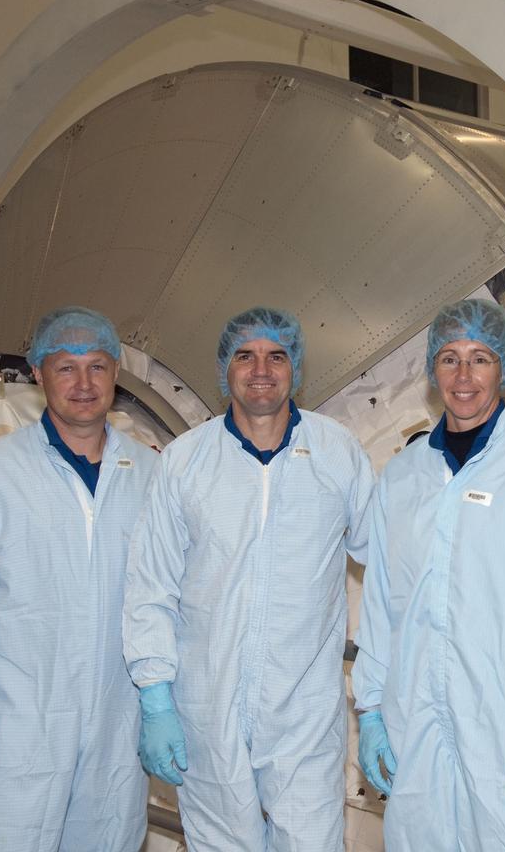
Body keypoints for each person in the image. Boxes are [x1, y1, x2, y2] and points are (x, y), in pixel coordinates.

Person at [352, 298, 505, 851]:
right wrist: (369, 708)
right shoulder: (403, 477)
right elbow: (381, 602)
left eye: (480, 358)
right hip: (414, 724)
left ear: (504, 369)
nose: (463, 376)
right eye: (449, 358)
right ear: (432, 370)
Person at [123, 306, 373, 851]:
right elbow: (152, 587)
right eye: (246, 356)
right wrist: (156, 696)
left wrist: (378, 697)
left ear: (295, 368)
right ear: (225, 369)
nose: (261, 370)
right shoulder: (186, 462)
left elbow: (387, 566)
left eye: (276, 356)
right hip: (207, 710)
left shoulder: (337, 453)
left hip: (304, 712)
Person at [0, 307, 155, 851]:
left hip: (116, 721)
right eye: (66, 367)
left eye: (97, 366)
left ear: (115, 373)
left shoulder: (150, 475)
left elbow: (167, 596)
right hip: (17, 721)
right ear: (38, 374)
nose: (83, 383)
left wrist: (164, 700)